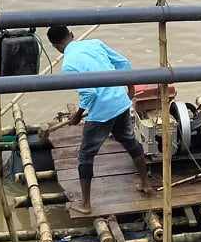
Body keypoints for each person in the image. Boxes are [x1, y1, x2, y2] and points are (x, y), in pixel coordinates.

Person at [48, 25, 152, 215]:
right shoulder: (95, 43)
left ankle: (86, 205)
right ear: (72, 35)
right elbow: (124, 64)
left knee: (85, 156)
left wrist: (78, 115)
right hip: (120, 101)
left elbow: (89, 94)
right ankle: (146, 184)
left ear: (55, 46)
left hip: (102, 113)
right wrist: (130, 89)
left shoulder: (68, 65)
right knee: (129, 140)